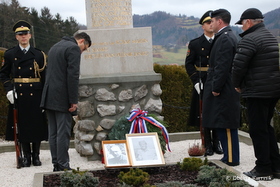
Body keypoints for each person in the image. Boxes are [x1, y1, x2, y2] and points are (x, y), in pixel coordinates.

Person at [232, 8, 280, 180]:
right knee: (266, 128)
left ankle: (263, 169)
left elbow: (238, 67)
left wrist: (236, 85)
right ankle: (276, 167)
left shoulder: (249, 39)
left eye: (242, 24)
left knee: (258, 130)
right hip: (273, 90)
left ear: (249, 22)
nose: (242, 28)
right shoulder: (270, 37)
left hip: (257, 91)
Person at [40, 32, 91, 171]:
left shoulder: (55, 46)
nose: (83, 51)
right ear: (81, 41)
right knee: (63, 133)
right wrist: (73, 100)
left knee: (53, 132)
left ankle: (56, 164)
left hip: (49, 94)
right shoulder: (73, 48)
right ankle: (63, 166)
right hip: (62, 96)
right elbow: (73, 75)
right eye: (85, 48)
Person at [0, 20, 48, 167]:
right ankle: (26, 155)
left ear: (30, 35)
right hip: (19, 94)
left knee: (37, 125)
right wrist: (9, 90)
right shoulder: (10, 54)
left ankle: (36, 155)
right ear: (16, 37)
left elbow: (45, 78)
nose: (23, 37)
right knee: (22, 126)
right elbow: (3, 74)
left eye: (25, 34)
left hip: (36, 93)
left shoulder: (39, 54)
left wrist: (46, 97)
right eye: (20, 34)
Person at [202, 9, 240, 166]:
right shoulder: (224, 36)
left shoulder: (225, 38)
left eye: (212, 21)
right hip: (223, 88)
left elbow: (222, 67)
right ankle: (227, 156)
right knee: (220, 123)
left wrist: (216, 87)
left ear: (219, 21)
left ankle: (231, 158)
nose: (211, 24)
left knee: (227, 124)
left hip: (224, 90)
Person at [185, 10, 223, 156]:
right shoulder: (195, 44)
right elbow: (188, 64)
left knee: (217, 112)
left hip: (217, 80)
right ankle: (206, 144)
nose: (210, 25)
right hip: (202, 81)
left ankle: (216, 142)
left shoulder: (220, 40)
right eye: (207, 22)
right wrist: (195, 80)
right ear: (203, 26)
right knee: (204, 113)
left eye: (211, 22)